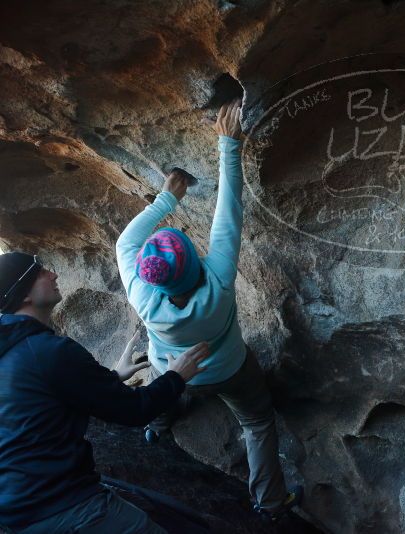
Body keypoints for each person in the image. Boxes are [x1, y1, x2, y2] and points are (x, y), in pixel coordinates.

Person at [115, 100, 302, 522]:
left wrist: (164, 199)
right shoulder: (216, 282)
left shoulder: (142, 294)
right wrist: (228, 144)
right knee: (256, 421)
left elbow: (124, 244)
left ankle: (156, 428)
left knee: (165, 390)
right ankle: (271, 503)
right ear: (196, 262)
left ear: (150, 277)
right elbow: (229, 213)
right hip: (230, 370)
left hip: (174, 370)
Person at [0, 251, 211, 533]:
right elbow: (136, 410)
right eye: (41, 272)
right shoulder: (48, 351)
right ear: (23, 294)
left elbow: (40, 402)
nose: (53, 274)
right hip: (65, 507)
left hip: (17, 509)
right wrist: (177, 376)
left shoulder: (12, 349)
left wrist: (111, 378)